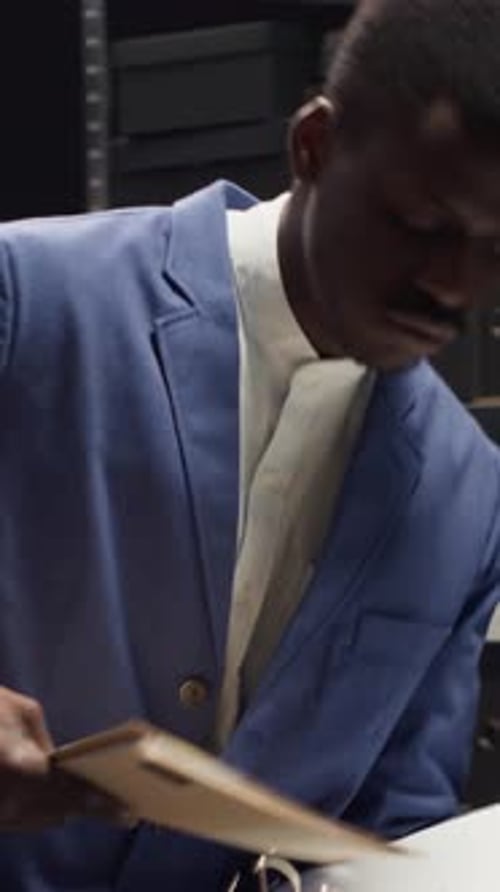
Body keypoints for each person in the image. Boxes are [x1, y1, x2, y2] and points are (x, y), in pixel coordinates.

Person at [1, 0, 500, 888]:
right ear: (313, 146)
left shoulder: (472, 497)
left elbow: (397, 824)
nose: (456, 287)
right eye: (425, 225)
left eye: (497, 252)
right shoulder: (29, 298)